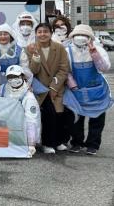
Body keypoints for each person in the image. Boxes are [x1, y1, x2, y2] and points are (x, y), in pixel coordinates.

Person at [62, 24, 112, 155]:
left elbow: (104, 68)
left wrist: (94, 54)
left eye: (84, 35)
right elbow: (65, 70)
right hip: (76, 89)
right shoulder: (67, 51)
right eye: (77, 35)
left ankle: (93, 144)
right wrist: (73, 85)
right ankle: (76, 143)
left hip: (97, 90)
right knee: (76, 118)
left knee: (97, 118)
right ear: (72, 37)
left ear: (90, 37)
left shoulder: (99, 49)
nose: (80, 37)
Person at [21, 22, 70, 154]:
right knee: (49, 113)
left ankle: (58, 141)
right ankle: (47, 143)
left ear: (51, 33)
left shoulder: (59, 48)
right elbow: (32, 71)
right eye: (40, 32)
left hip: (56, 87)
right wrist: (36, 56)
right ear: (36, 34)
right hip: (39, 88)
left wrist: (54, 87)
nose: (43, 34)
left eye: (46, 31)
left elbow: (64, 69)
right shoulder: (29, 48)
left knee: (61, 113)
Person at [0, 65, 40, 157]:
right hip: (5, 126)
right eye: (10, 77)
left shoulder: (28, 96)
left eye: (16, 76)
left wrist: (31, 144)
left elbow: (31, 120)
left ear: (22, 76)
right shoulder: (3, 89)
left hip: (20, 130)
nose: (13, 80)